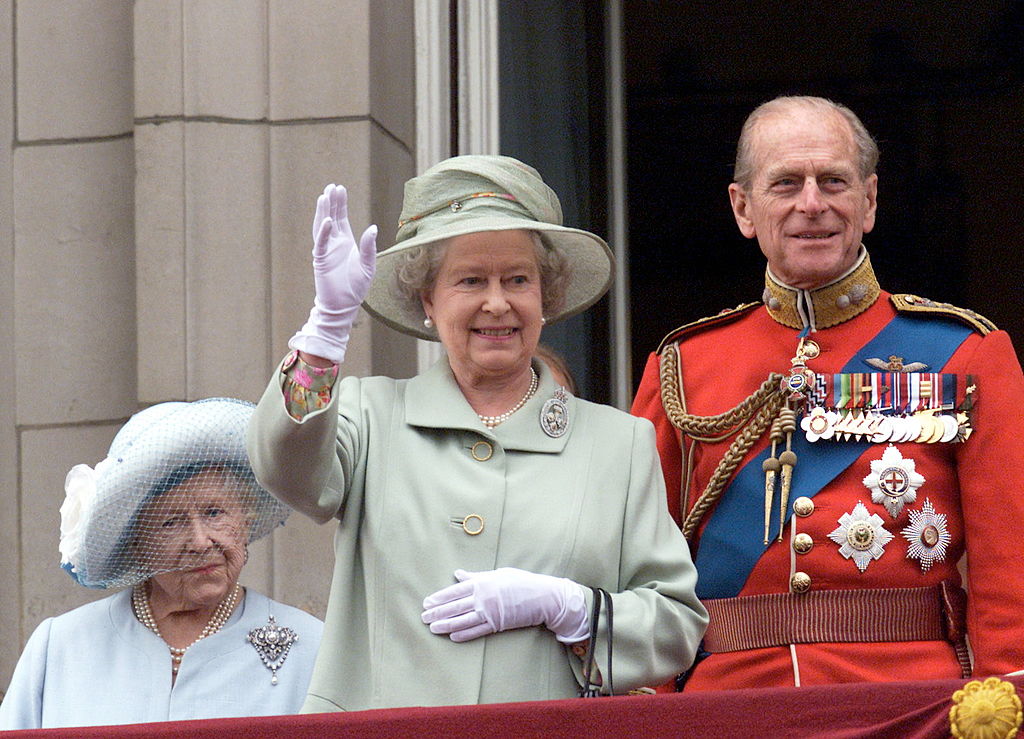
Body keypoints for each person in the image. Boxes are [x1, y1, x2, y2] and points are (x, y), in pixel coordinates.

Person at [246, 154, 707, 711]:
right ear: (428, 301)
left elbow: (676, 624)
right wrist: (327, 327)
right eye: (470, 280)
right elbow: (284, 470)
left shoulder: (619, 444)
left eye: (518, 279)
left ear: (546, 298)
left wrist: (572, 607)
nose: (497, 302)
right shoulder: (369, 417)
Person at [631, 95, 1024, 690]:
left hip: (905, 702)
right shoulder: (683, 364)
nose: (811, 205)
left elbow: (1010, 566)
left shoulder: (966, 352)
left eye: (833, 182)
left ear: (869, 201)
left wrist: (1006, 702)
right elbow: (640, 570)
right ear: (743, 208)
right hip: (724, 710)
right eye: (785, 184)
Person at [0, 398, 324, 730]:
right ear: (135, 543)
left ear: (244, 519)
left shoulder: (311, 647)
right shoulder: (59, 647)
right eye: (171, 522)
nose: (201, 541)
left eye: (214, 513)